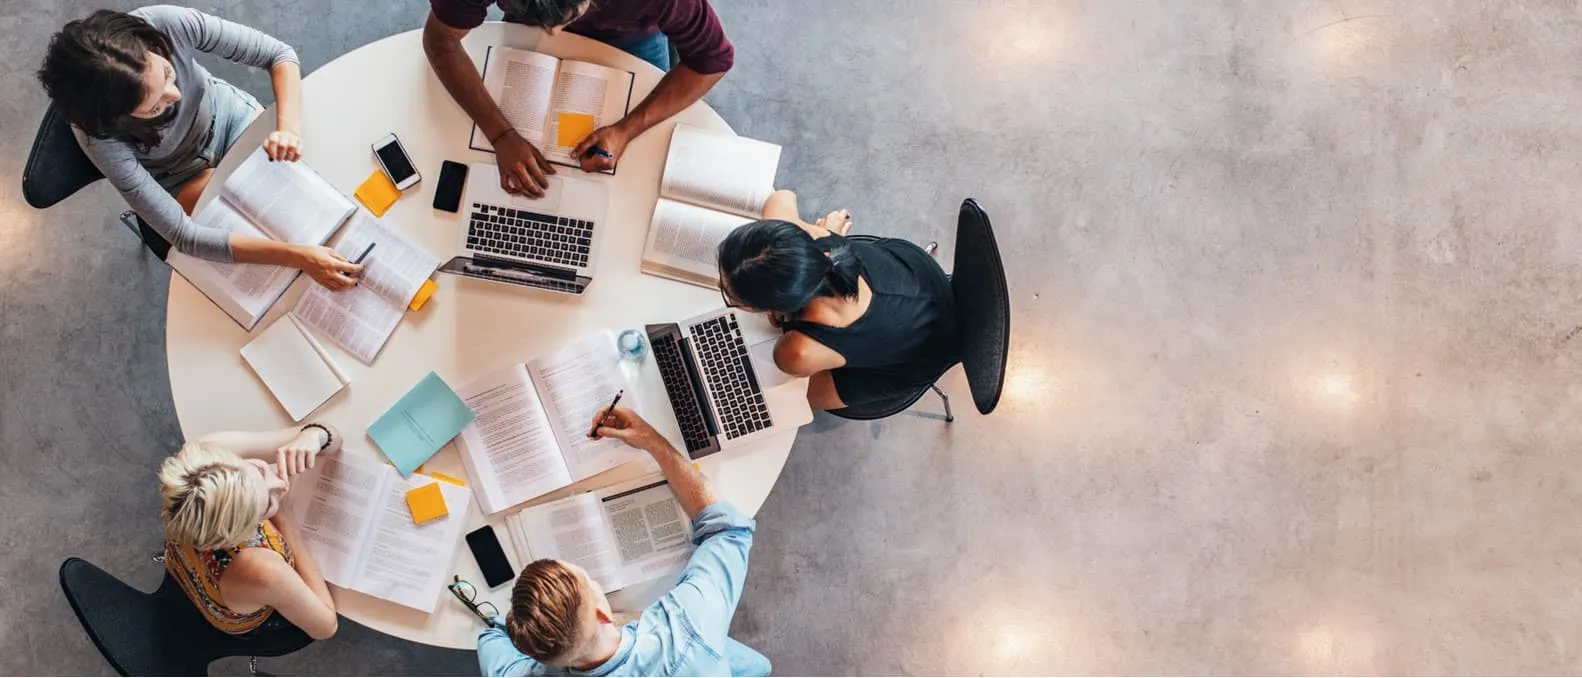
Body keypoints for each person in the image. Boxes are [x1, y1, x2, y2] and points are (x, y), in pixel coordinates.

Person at [37, 6, 363, 290]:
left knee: (317, 182)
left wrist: (288, 129)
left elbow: (279, 55)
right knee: (263, 236)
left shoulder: (164, 23)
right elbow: (185, 236)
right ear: (117, 121)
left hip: (230, 120)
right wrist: (298, 257)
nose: (176, 95)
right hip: (177, 176)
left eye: (167, 72)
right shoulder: (99, 138)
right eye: (155, 107)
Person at [477, 408, 770, 676]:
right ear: (604, 613)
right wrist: (653, 442)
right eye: (588, 580)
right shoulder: (687, 627)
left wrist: (533, 628)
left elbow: (491, 638)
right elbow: (727, 530)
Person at [424, 0, 735, 196]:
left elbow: (712, 60)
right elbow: (440, 41)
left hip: (632, 35)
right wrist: (501, 134)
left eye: (562, 19)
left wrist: (627, 129)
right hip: (530, 28)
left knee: (633, 176)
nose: (553, 34)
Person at [718, 190, 960, 411]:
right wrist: (822, 234)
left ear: (769, 308)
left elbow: (792, 364)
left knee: (789, 400)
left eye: (731, 297)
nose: (720, 286)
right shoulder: (813, 237)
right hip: (921, 279)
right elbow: (781, 198)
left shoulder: (796, 352)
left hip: (923, 357)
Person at [158, 424, 342, 639]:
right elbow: (326, 627)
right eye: (267, 505)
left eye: (260, 470)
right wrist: (285, 520)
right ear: (242, 534)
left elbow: (330, 435)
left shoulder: (203, 453)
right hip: (240, 615)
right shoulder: (264, 570)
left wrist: (314, 436)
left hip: (185, 563)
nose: (281, 484)